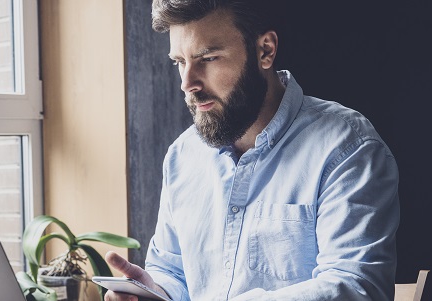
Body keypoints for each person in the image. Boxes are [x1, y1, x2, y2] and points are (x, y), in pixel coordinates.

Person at [104, 0, 400, 300]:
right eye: (179, 61)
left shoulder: (348, 148)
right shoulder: (183, 156)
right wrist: (153, 291)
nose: (187, 83)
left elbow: (358, 288)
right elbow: (172, 271)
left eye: (207, 58)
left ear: (265, 51)